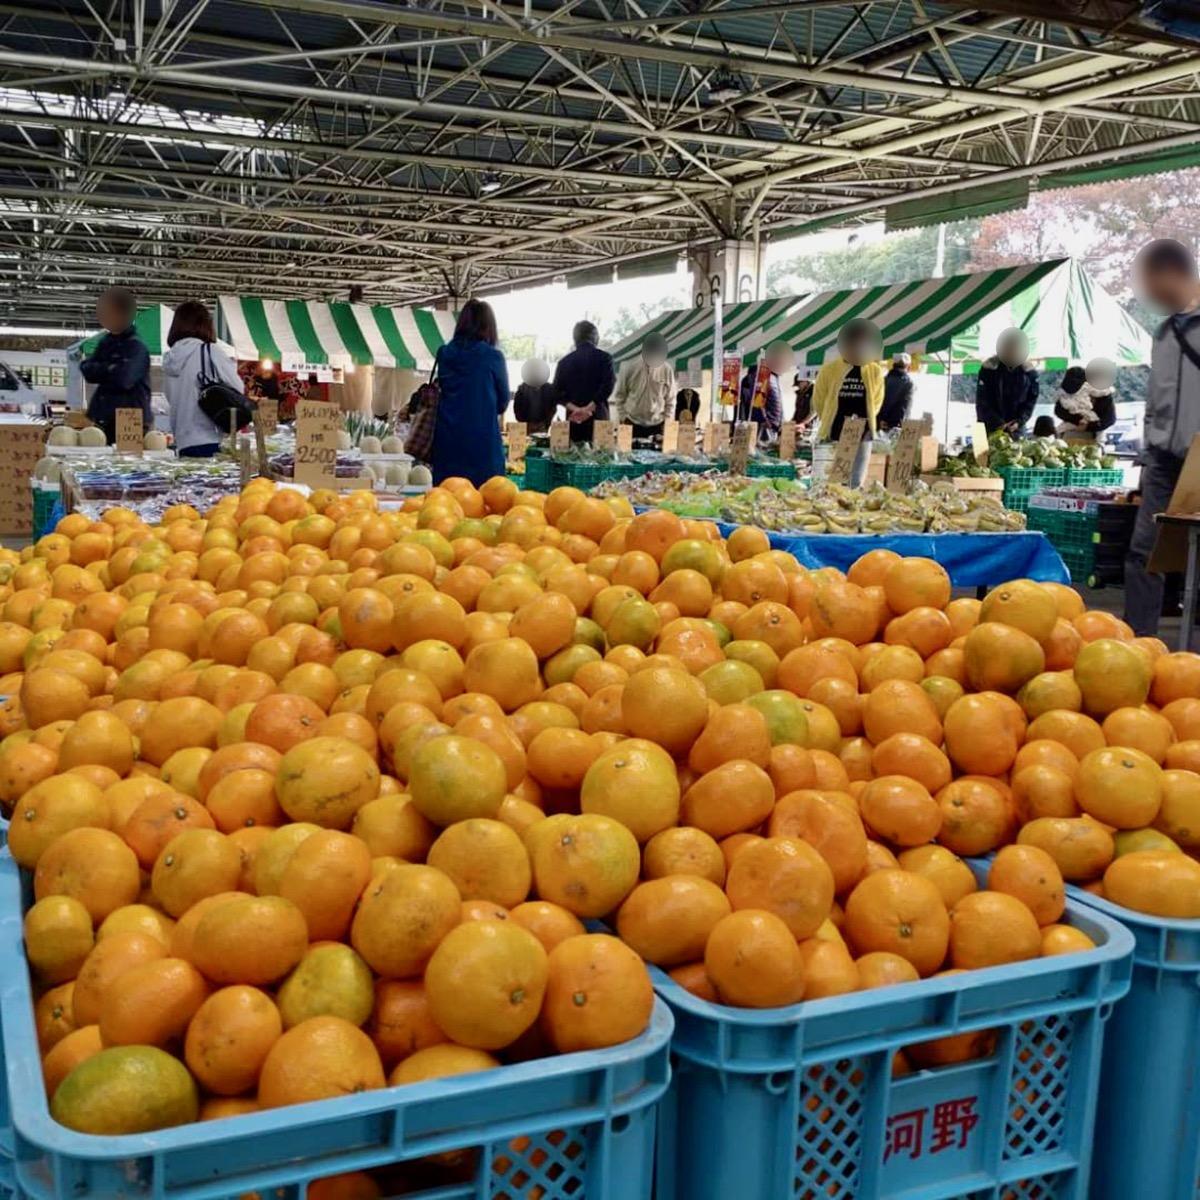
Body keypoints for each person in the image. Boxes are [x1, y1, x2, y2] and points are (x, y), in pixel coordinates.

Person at [1126, 239, 1200, 638]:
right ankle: (1138, 642)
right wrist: (1147, 450)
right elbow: (1156, 397)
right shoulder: (1163, 333)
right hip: (1163, 461)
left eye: (1153, 285)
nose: (1151, 296)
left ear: (1175, 275)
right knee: (1144, 551)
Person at [429, 298, 508, 486]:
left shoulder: (444, 353)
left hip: (447, 442)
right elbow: (503, 401)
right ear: (489, 326)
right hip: (483, 444)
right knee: (486, 503)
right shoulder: (492, 356)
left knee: (446, 502)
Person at [161, 301, 244, 458]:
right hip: (209, 437)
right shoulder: (209, 351)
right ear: (205, 324)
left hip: (182, 441)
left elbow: (170, 397)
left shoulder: (169, 358)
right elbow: (238, 388)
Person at [813, 319, 885, 486]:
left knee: (856, 481)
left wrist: (859, 423)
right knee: (833, 482)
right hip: (835, 431)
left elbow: (877, 401)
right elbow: (819, 400)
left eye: (863, 342)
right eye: (855, 341)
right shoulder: (829, 369)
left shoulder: (875, 371)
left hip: (863, 433)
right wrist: (828, 418)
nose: (858, 345)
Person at [80, 286, 151, 444]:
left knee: (126, 464)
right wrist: (111, 368)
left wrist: (103, 369)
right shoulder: (106, 342)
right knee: (104, 463)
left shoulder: (136, 346)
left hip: (130, 418)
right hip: (104, 417)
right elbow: (86, 369)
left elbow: (125, 379)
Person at [552, 320, 614, 443]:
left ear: (575, 339)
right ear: (595, 337)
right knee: (602, 458)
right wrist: (588, 408)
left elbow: (556, 392)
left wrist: (576, 409)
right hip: (599, 419)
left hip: (574, 420)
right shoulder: (605, 358)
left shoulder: (564, 362)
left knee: (573, 457)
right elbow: (608, 386)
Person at [976, 328, 1039, 435]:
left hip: (1016, 427)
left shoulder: (1029, 372)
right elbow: (982, 401)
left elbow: (1031, 400)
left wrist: (1019, 421)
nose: (1012, 350)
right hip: (990, 425)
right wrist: (998, 423)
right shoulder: (989, 368)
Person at [613, 332, 674, 438]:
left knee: (658, 455)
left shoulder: (667, 369)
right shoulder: (629, 367)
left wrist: (667, 421)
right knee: (629, 454)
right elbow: (619, 396)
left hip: (657, 424)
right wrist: (624, 418)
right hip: (632, 423)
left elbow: (671, 399)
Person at [1055, 358, 1117, 441]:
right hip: (1073, 429)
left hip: (1096, 430)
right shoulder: (1065, 394)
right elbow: (1059, 411)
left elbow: (1109, 419)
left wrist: (1088, 426)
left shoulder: (1103, 394)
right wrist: (1078, 420)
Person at [737, 342, 789, 439]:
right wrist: (766, 420)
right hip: (765, 425)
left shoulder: (772, 377)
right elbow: (758, 401)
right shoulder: (760, 376)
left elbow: (776, 402)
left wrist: (780, 422)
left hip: (772, 424)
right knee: (764, 447)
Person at [512, 358, 556, 433]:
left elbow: (552, 408)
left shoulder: (549, 389)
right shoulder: (522, 389)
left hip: (543, 425)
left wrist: (546, 423)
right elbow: (517, 408)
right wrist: (524, 423)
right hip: (526, 426)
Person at [879, 353, 914, 432]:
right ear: (908, 366)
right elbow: (904, 406)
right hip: (894, 425)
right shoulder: (907, 382)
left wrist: (880, 419)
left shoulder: (884, 379)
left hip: (882, 423)